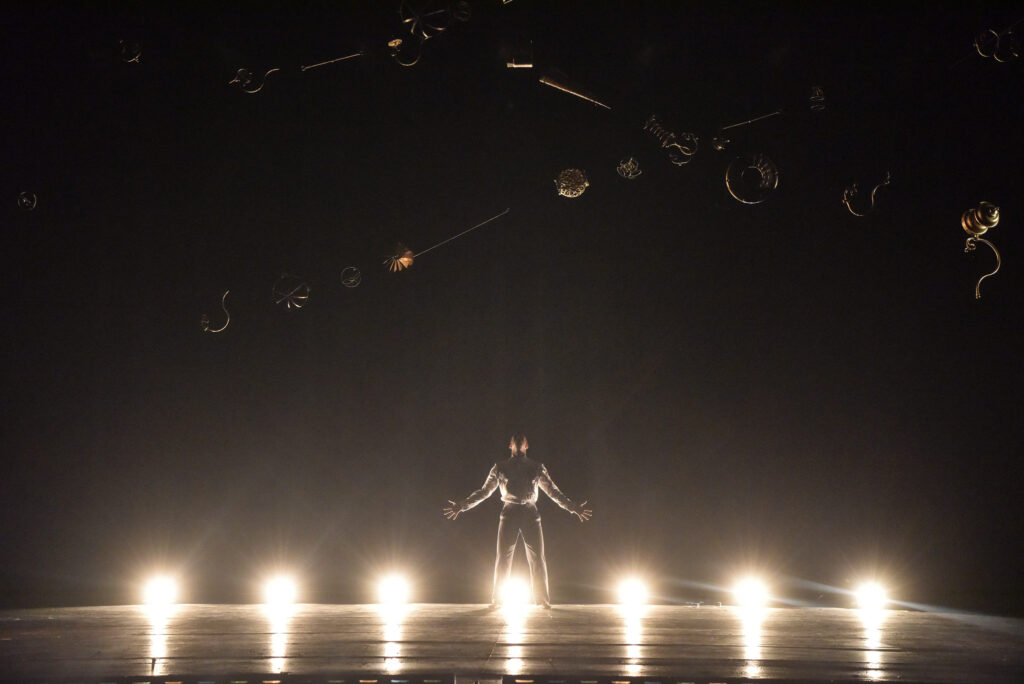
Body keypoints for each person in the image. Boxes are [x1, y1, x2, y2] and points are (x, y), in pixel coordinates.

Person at [444, 435, 592, 609]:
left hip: (530, 512)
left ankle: (542, 599)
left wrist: (572, 507)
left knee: (538, 557)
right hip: (509, 511)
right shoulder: (500, 467)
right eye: (516, 440)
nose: (519, 443)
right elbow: (485, 491)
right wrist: (463, 505)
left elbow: (553, 491)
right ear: (510, 445)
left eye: (522, 440)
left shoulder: (536, 467)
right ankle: (498, 599)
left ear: (527, 445)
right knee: (503, 558)